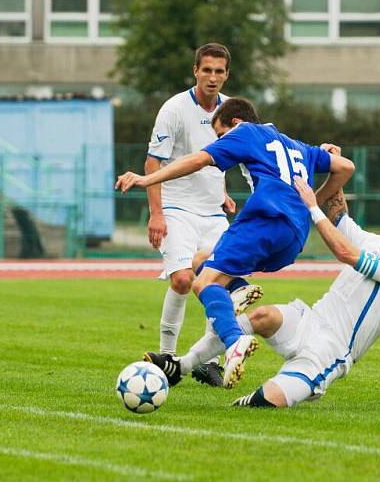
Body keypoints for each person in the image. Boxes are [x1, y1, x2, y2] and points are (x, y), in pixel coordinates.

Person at [148, 145, 380, 408]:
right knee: (263, 317)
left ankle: (291, 387)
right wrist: (333, 166)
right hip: (310, 320)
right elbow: (338, 215)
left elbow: (346, 254)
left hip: (331, 351)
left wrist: (311, 205)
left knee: (261, 403)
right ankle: (180, 366)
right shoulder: (373, 242)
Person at [116, 98, 355, 388]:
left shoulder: (245, 133)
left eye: (220, 135)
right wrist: (311, 204)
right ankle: (237, 290)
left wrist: (147, 179)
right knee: (200, 260)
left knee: (202, 283)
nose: (220, 141)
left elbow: (199, 160)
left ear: (236, 124)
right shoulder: (297, 145)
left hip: (265, 219)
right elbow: (345, 167)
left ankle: (235, 341)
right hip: (293, 238)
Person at [143, 43, 261, 387]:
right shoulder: (174, 108)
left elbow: (242, 159)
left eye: (219, 71)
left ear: (227, 75)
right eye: (206, 70)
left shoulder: (232, 112)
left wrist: (225, 194)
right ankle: (166, 358)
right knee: (182, 279)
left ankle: (205, 361)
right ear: (195, 70)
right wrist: (156, 214)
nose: (213, 77)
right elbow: (154, 161)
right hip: (176, 207)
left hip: (212, 213)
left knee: (219, 281)